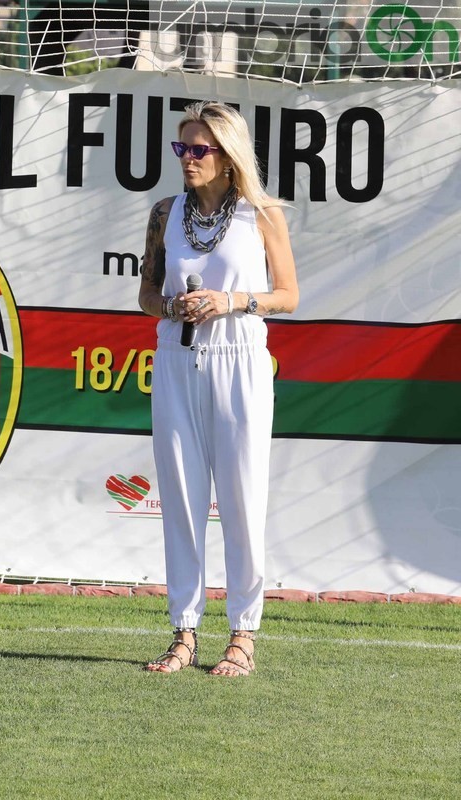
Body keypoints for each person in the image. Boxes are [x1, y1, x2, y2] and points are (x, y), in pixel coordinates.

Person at [137, 101, 299, 677]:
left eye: (198, 149)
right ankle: (183, 633)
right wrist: (173, 306)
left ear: (228, 156)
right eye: (181, 148)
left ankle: (243, 634)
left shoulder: (262, 214)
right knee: (179, 499)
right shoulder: (165, 211)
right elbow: (146, 295)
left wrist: (230, 301)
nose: (186, 159)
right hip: (178, 359)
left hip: (241, 360)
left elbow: (288, 296)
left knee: (241, 499)